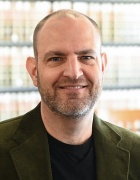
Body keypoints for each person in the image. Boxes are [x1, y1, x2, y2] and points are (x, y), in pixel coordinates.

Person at [0, 9, 140, 180]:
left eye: (86, 57)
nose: (73, 73)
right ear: (34, 71)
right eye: (56, 59)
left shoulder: (136, 152)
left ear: (102, 67)